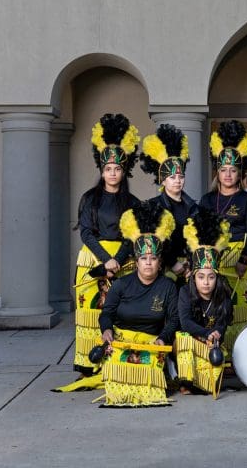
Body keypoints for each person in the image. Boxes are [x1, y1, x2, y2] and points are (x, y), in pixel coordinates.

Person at [70, 113, 140, 377]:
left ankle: (117, 364)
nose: (112, 173)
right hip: (94, 259)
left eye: (117, 169)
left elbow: (132, 237)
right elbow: (86, 232)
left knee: (121, 312)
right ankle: (88, 365)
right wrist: (105, 260)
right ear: (101, 170)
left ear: (124, 170)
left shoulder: (132, 203)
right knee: (90, 311)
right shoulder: (89, 198)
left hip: (123, 261)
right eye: (108, 168)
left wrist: (117, 261)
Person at [96, 200, 179, 407]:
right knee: (119, 383)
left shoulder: (168, 286)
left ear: (160, 261)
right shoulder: (121, 284)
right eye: (143, 258)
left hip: (151, 343)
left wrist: (163, 338)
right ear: (136, 261)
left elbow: (173, 319)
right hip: (120, 341)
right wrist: (106, 330)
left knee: (149, 384)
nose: (148, 262)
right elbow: (107, 313)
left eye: (153, 258)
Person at [198, 120, 247, 349]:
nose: (227, 174)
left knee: (241, 305)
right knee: (215, 306)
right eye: (223, 170)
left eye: (232, 170)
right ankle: (217, 350)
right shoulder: (207, 200)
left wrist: (244, 259)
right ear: (218, 172)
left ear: (239, 173)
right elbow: (199, 230)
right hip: (213, 258)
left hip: (240, 258)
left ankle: (241, 349)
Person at [176, 208, 235, 398]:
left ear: (217, 278)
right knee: (183, 338)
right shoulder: (185, 292)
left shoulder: (224, 294)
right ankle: (185, 381)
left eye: (211, 277)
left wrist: (216, 333)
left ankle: (206, 382)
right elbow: (185, 322)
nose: (206, 282)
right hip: (191, 340)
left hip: (212, 342)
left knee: (210, 384)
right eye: (201, 277)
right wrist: (205, 333)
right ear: (194, 277)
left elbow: (223, 322)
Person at [141, 124, 198, 285]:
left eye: (181, 177)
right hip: (162, 270)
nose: (177, 181)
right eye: (172, 177)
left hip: (189, 270)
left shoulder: (193, 207)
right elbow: (152, 240)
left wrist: (192, 264)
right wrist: (172, 262)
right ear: (163, 180)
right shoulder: (153, 207)